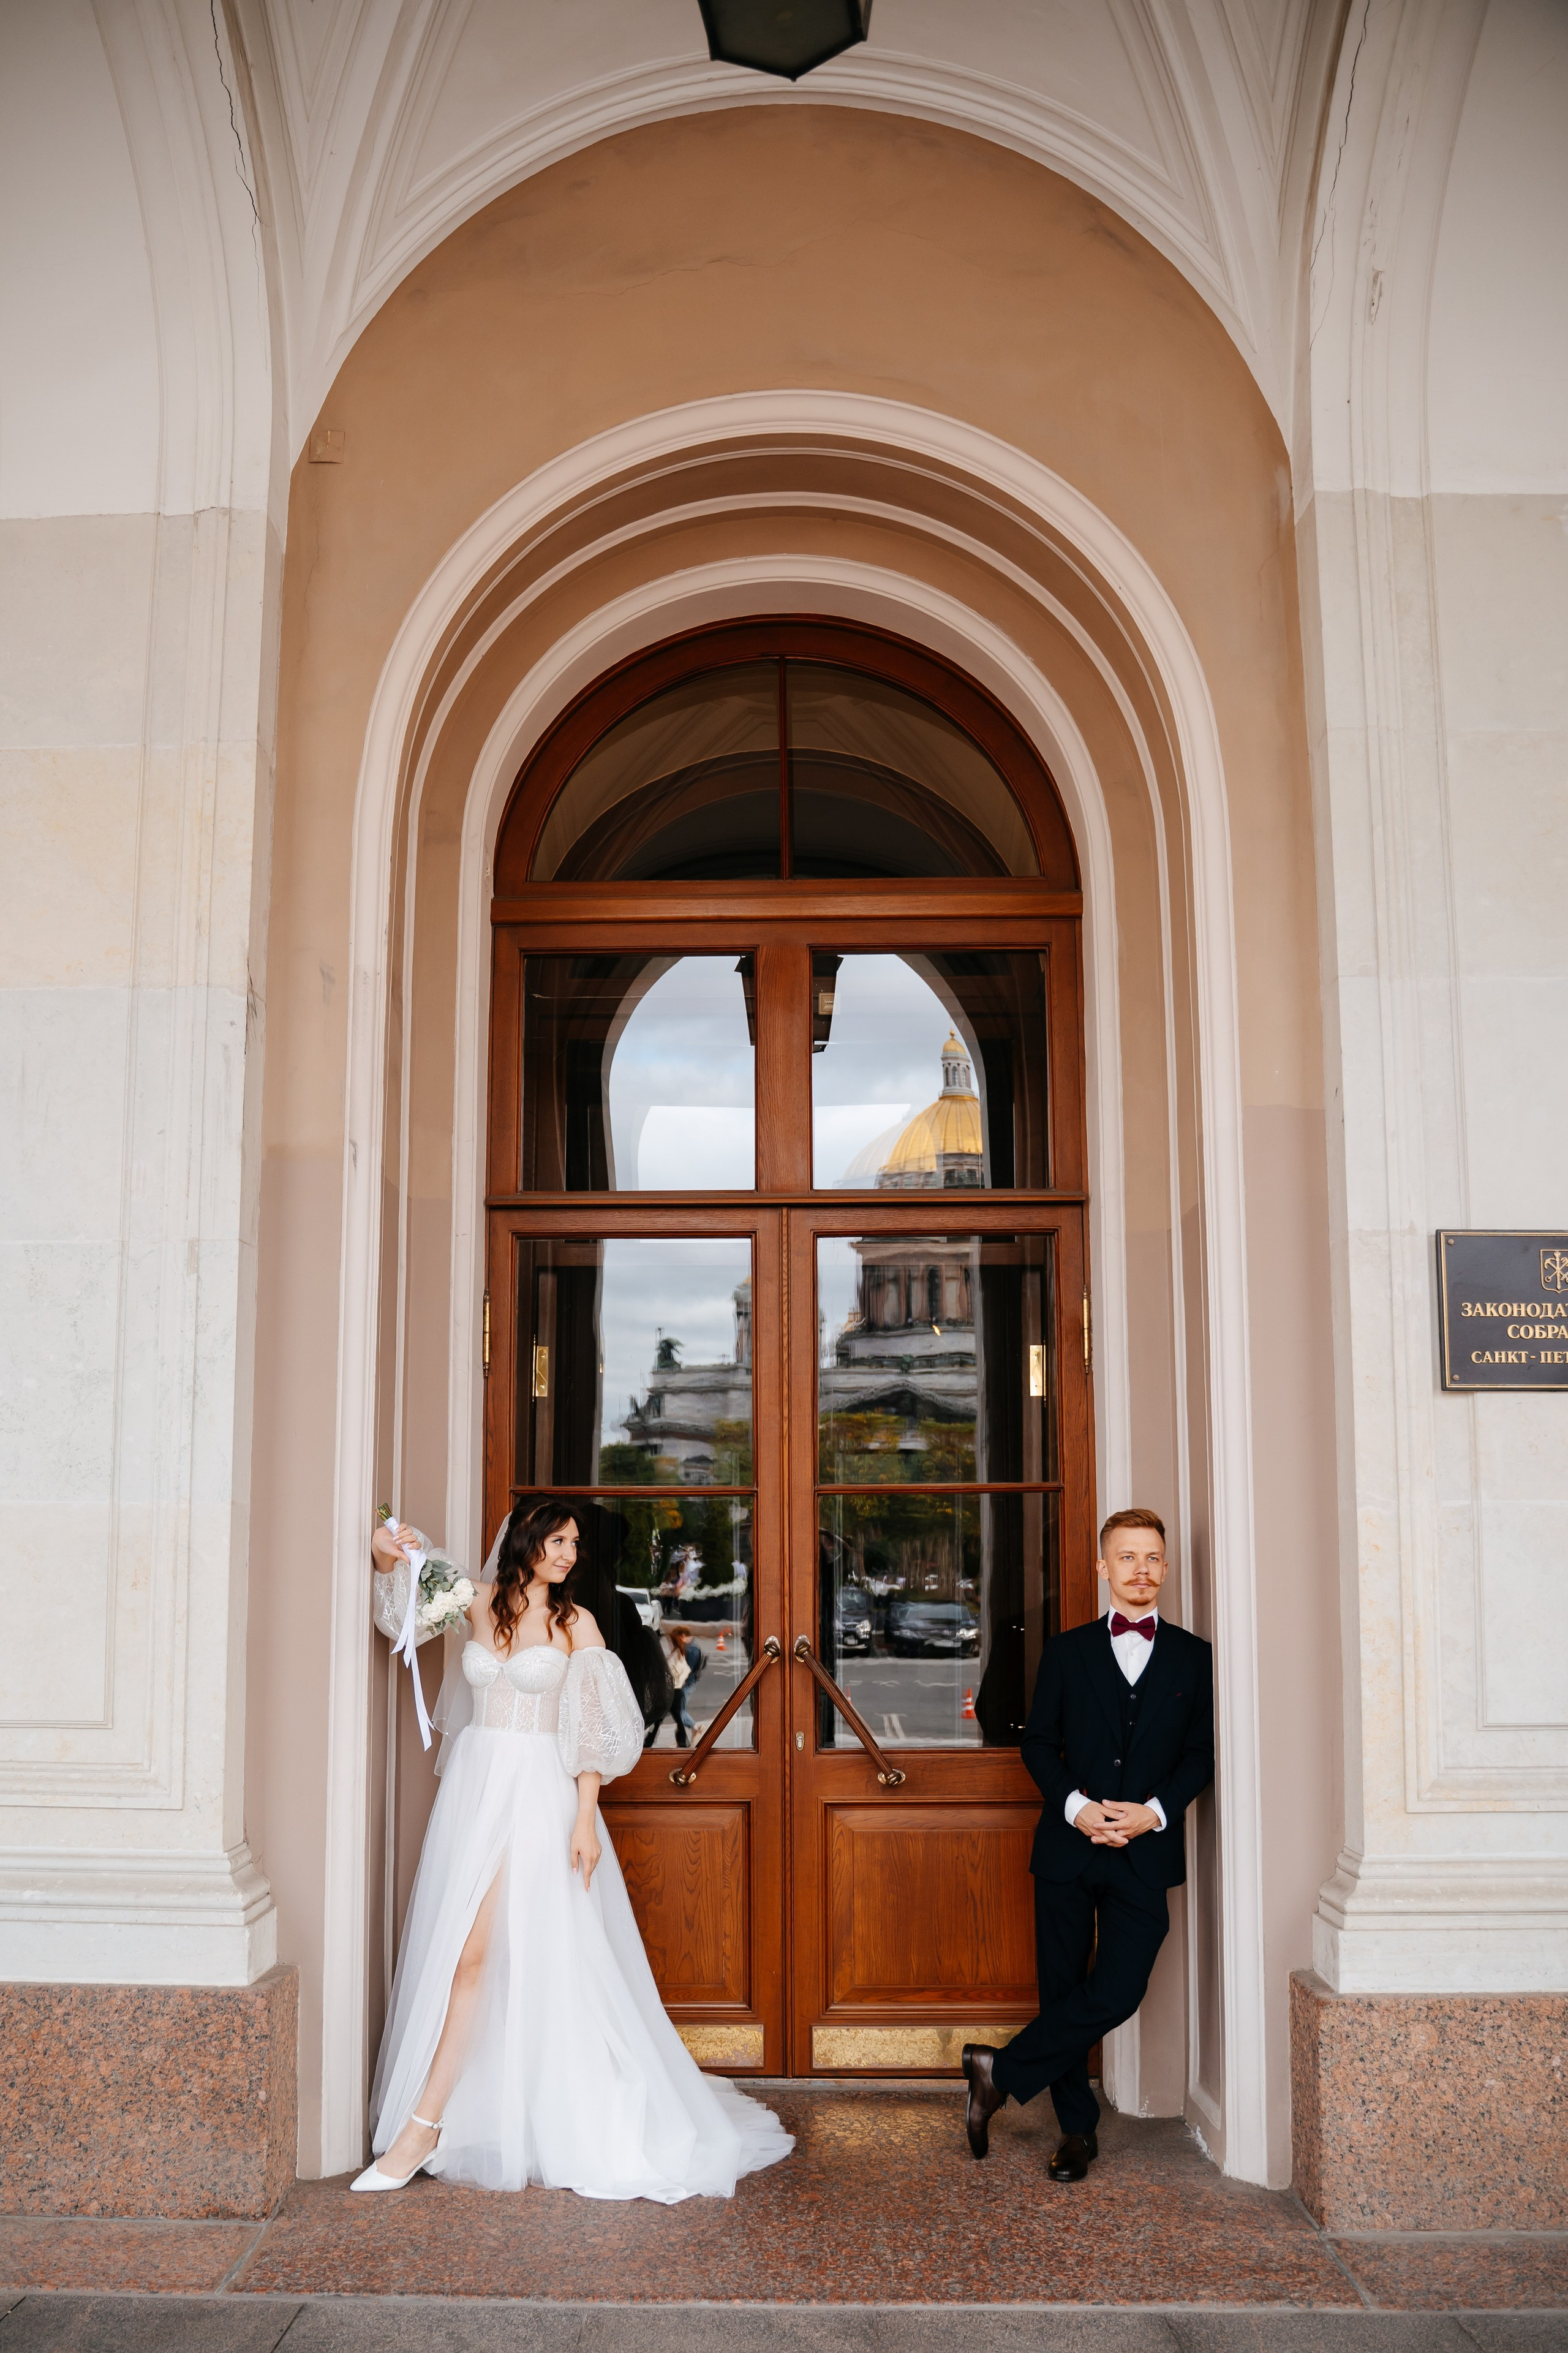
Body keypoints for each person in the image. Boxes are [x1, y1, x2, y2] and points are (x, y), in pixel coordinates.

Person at [355, 1499, 793, 2199]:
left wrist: (584, 1820)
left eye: (574, 1544)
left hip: (540, 1797)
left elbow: (591, 1733)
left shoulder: (574, 1622)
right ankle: (449, 2116)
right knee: (466, 1957)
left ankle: (424, 2127)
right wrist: (386, 1547)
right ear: (526, 1539)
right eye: (557, 1540)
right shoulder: (478, 1602)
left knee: (499, 1954)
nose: (567, 1554)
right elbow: (400, 1609)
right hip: (475, 1792)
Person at [960, 1508, 1213, 2181]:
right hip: (1068, 1851)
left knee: (1118, 1988)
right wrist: (1075, 1809)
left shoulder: (1195, 1655)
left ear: (1165, 1566)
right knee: (1063, 1987)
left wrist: (1152, 1813)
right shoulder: (1068, 1651)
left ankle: (998, 2070)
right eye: (1126, 1557)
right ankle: (1076, 2130)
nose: (1141, 1569)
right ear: (1102, 1567)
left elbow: (1198, 1754)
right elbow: (1038, 1743)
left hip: (1143, 1851)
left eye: (1152, 1557)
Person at [644, 1625, 703, 1748]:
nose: (669, 1643)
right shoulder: (679, 1654)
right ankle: (681, 1743)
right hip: (675, 1691)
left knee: (667, 1717)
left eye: (671, 1641)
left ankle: (652, 1742)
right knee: (669, 1718)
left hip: (674, 1691)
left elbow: (683, 1671)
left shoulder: (681, 1654)